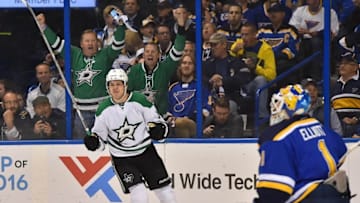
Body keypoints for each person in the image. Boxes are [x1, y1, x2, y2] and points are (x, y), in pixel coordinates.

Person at [83, 69, 176, 203]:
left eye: (118, 84)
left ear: (125, 85)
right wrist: (94, 142)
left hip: (146, 153)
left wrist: (159, 130)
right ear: (107, 87)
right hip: (122, 159)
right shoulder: (103, 110)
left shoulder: (140, 101)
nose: (115, 88)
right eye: (111, 84)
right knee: (139, 193)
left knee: (165, 193)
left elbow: (157, 122)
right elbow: (100, 139)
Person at [255, 84, 351, 203]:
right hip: (335, 194)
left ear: (292, 107)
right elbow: (341, 152)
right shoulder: (317, 125)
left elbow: (275, 191)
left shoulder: (277, 136)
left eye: (279, 105)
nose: (275, 110)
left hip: (308, 197)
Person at [36, 11, 125, 138]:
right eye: (87, 41)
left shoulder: (105, 55)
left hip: (103, 110)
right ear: (81, 44)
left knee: (107, 142)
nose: (90, 44)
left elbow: (118, 44)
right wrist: (44, 27)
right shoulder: (74, 54)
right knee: (82, 144)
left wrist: (121, 26)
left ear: (97, 43)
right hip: (81, 111)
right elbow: (55, 42)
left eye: (93, 41)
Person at [127, 12, 187, 116]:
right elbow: (127, 94)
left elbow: (178, 50)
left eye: (153, 52)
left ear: (159, 55)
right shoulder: (134, 71)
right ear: (143, 55)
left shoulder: (165, 68)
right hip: (137, 118)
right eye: (147, 52)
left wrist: (181, 27)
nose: (150, 54)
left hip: (160, 116)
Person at [168, 54, 211, 138]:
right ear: (180, 66)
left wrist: (192, 116)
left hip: (193, 124)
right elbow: (168, 109)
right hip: (174, 124)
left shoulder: (200, 86)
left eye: (189, 63)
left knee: (181, 123)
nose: (186, 66)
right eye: (184, 63)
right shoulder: (173, 88)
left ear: (194, 67)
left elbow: (207, 108)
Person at [331, 52, 360, 138]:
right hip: (338, 126)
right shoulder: (333, 85)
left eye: (346, 63)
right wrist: (340, 120)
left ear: (355, 67)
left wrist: (356, 119)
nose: (342, 66)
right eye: (341, 63)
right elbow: (330, 109)